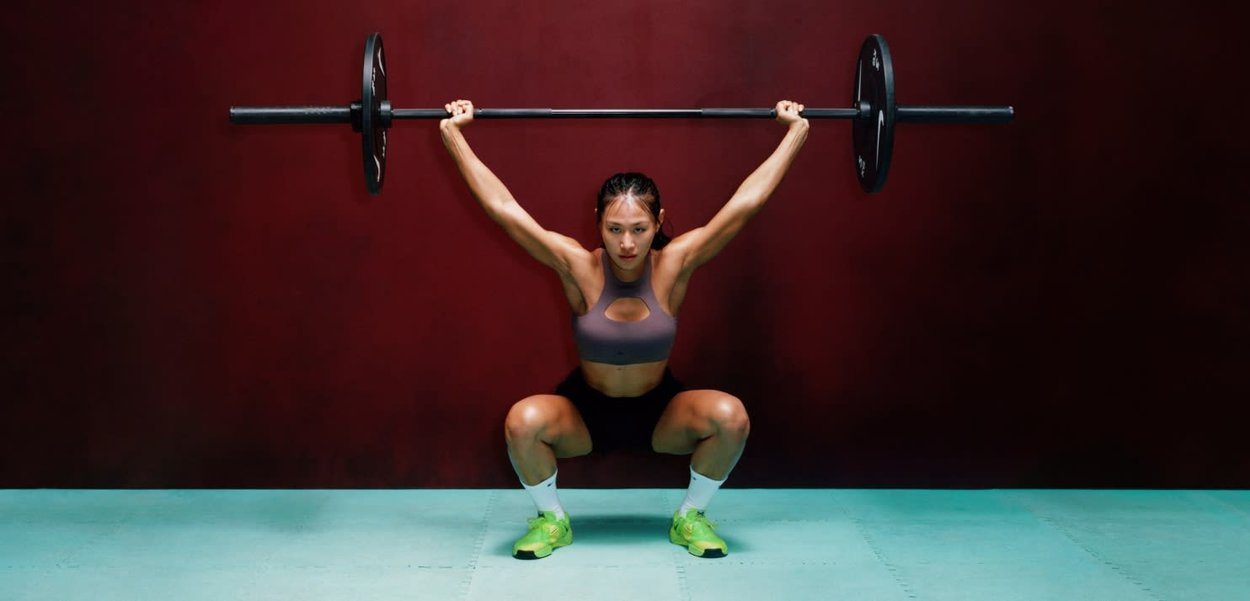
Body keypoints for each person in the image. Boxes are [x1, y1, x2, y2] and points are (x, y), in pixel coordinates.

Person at [440, 98, 809, 559]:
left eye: (638, 228)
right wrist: (453, 135)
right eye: (614, 229)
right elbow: (504, 208)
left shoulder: (675, 264)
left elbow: (745, 204)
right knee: (522, 422)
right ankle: (552, 520)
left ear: (658, 221)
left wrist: (795, 132)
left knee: (730, 416)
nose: (627, 243)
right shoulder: (576, 266)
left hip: (659, 414)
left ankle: (690, 517)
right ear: (598, 223)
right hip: (585, 414)